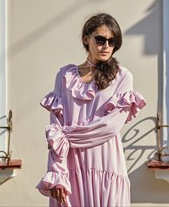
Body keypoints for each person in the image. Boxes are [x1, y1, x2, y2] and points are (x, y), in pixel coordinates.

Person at [36, 13, 146, 207]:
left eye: (112, 42)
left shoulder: (122, 77)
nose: (106, 46)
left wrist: (67, 137)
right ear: (86, 39)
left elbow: (109, 127)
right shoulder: (64, 76)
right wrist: (57, 172)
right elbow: (55, 129)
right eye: (101, 39)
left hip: (106, 161)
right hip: (70, 164)